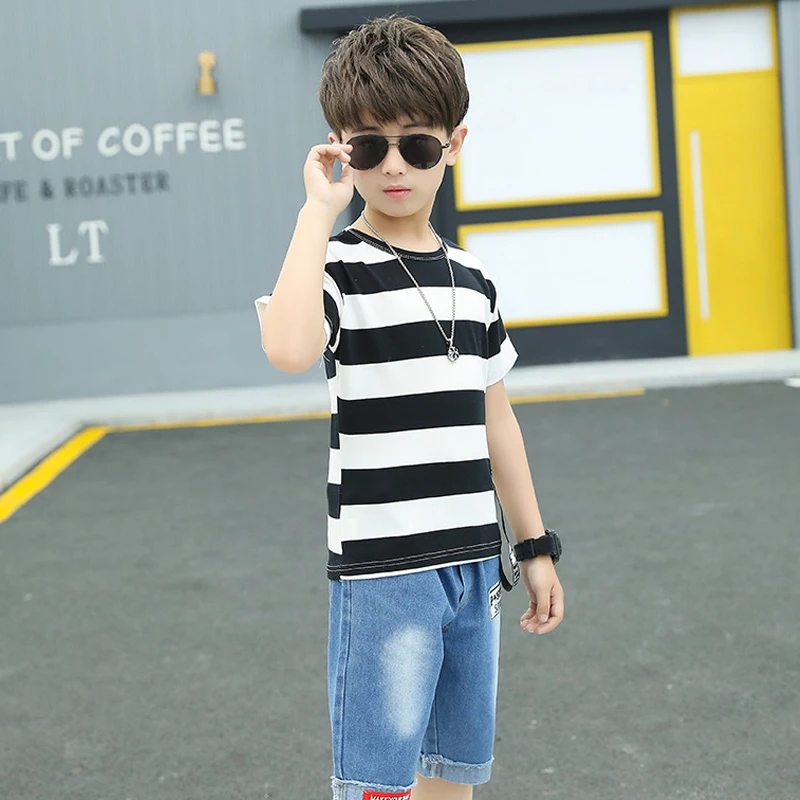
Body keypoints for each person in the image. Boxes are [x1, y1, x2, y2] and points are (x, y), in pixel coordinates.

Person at [255, 15, 565, 800]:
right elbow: (288, 349)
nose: (394, 165)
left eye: (418, 145)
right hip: (385, 574)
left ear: (453, 145)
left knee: (454, 776)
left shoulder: (474, 278)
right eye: (369, 147)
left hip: (473, 566)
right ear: (340, 150)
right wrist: (316, 212)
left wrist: (534, 545)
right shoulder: (336, 268)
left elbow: (497, 418)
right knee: (379, 787)